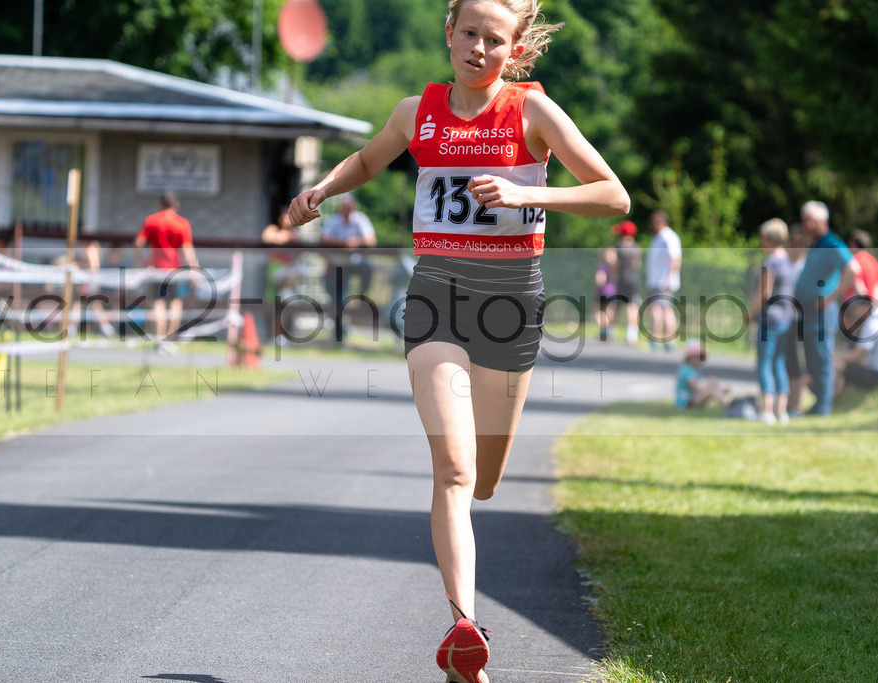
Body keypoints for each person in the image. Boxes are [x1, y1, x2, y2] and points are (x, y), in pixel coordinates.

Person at [287, 2, 630, 680]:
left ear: (515, 48)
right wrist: (321, 189)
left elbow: (613, 194)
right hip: (436, 299)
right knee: (454, 469)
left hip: (511, 309)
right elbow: (369, 158)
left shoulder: (533, 113)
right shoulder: (418, 110)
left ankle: (465, 623)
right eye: (467, 33)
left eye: (493, 39)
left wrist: (527, 195)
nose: (477, 48)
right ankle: (464, 627)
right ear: (448, 33)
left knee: (488, 479)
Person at [793, 200, 861, 415]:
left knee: (822, 359)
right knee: (812, 359)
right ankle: (818, 403)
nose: (808, 225)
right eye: (805, 221)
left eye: (812, 221)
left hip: (821, 313)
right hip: (808, 313)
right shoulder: (815, 244)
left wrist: (831, 297)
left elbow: (853, 269)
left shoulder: (832, 243)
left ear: (825, 221)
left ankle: (824, 406)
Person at [134, 191, 198, 353]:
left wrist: (140, 262)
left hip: (156, 270)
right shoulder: (182, 223)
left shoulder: (152, 221)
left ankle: (160, 340)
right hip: (175, 271)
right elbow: (187, 250)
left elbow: (138, 243)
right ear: (176, 205)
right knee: (175, 304)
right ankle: (170, 340)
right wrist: (194, 270)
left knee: (157, 304)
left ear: (160, 204)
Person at [745, 219, 794, 424]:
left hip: (770, 318)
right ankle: (781, 411)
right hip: (786, 317)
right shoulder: (788, 261)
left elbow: (764, 292)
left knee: (764, 363)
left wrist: (748, 313)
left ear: (770, 239)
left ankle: (766, 411)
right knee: (779, 363)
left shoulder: (771, 262)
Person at [835, 296, 878, 394]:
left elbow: (855, 356)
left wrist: (835, 356)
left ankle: (832, 400)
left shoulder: (872, 325)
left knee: (838, 364)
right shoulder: (877, 321)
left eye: (857, 307)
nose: (854, 310)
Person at [320, 194, 377, 301]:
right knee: (336, 294)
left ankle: (363, 298)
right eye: (344, 207)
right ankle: (339, 311)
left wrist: (356, 242)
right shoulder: (333, 220)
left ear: (354, 207)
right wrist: (344, 243)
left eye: (349, 207)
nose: (347, 210)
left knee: (367, 269)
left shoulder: (360, 219)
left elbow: (371, 241)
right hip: (336, 264)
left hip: (355, 262)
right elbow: (325, 239)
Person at [262, 211, 303, 345]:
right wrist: (286, 237)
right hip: (275, 274)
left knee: (283, 305)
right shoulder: (273, 229)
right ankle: (273, 335)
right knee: (274, 306)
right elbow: (267, 238)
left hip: (287, 277)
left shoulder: (295, 235)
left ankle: (279, 337)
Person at [644, 209, 681, 351]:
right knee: (663, 309)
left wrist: (670, 278)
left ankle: (659, 339)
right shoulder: (660, 237)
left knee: (660, 309)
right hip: (657, 280)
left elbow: (675, 258)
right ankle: (665, 340)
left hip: (662, 281)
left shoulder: (668, 237)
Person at [783, 224, 810, 415]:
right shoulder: (783, 262)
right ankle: (786, 403)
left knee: (796, 362)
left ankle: (796, 404)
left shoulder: (806, 266)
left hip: (799, 320)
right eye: (792, 241)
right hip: (784, 319)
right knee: (784, 362)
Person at [675, 340, 732, 409]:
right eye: (698, 357)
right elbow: (698, 388)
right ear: (690, 357)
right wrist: (710, 384)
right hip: (685, 403)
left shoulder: (695, 370)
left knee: (715, 389)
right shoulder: (686, 370)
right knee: (711, 390)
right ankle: (729, 405)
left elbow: (701, 383)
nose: (700, 360)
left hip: (693, 398)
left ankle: (729, 404)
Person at [612, 219, 642, 345]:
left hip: (622, 277)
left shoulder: (619, 246)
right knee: (632, 304)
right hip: (633, 277)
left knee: (616, 305)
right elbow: (638, 264)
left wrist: (613, 277)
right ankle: (632, 334)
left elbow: (615, 264)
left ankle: (610, 331)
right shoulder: (636, 247)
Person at [844, 229, 878, 305]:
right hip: (872, 304)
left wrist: (864, 305)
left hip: (858, 306)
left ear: (853, 244)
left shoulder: (854, 261)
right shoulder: (873, 261)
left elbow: (858, 285)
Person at [593, 247, 617, 341]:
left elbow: (600, 279)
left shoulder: (602, 267)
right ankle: (607, 331)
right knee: (609, 312)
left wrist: (597, 287)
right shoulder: (616, 267)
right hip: (613, 291)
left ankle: (606, 329)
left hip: (603, 292)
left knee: (597, 312)